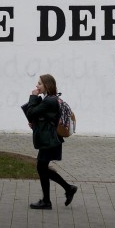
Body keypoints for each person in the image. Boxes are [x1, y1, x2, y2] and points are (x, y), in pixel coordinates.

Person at [25, 74, 78, 210]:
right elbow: (43, 117)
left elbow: (31, 113)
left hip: (50, 140)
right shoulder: (49, 99)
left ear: (47, 85)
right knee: (42, 168)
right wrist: (36, 123)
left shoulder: (49, 101)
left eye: (39, 84)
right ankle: (51, 198)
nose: (37, 86)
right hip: (49, 139)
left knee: (41, 168)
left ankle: (63, 191)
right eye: (37, 84)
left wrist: (32, 96)